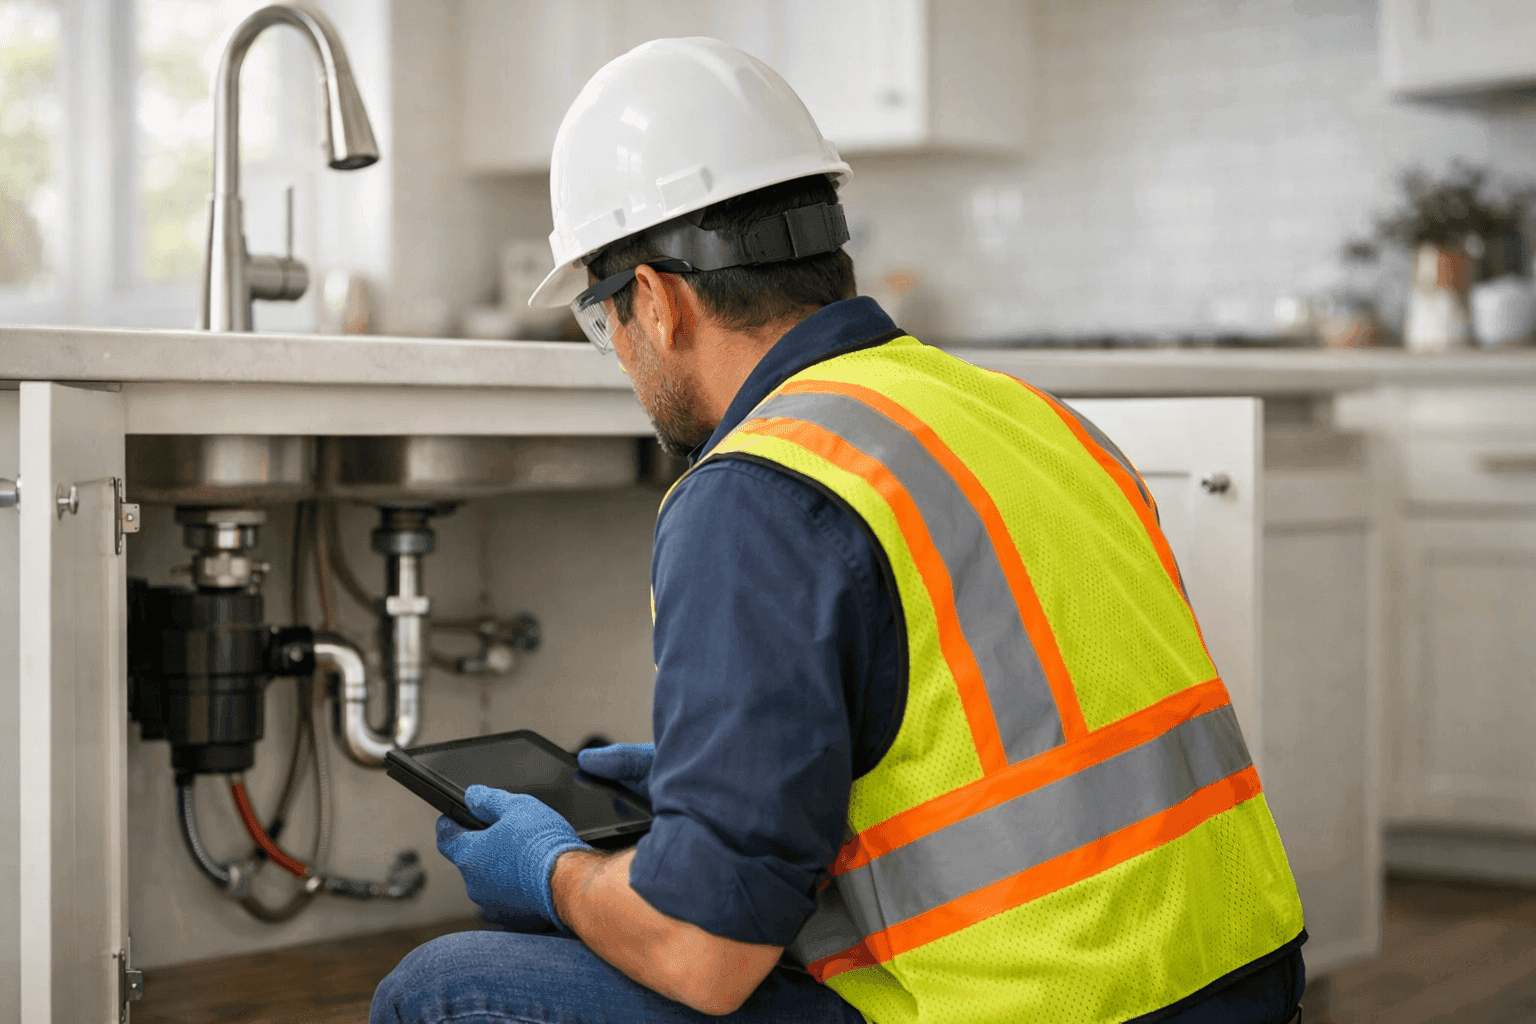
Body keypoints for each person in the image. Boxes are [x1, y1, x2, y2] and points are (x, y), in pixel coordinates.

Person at [372, 37, 1307, 1024]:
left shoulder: (755, 490)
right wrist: (714, 783)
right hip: (1244, 988)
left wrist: (551, 870)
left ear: (656, 299)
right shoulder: (1027, 414)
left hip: (1037, 1009)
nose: (621, 358)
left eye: (603, 323)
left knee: (443, 989)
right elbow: (1010, 740)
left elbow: (702, 953)